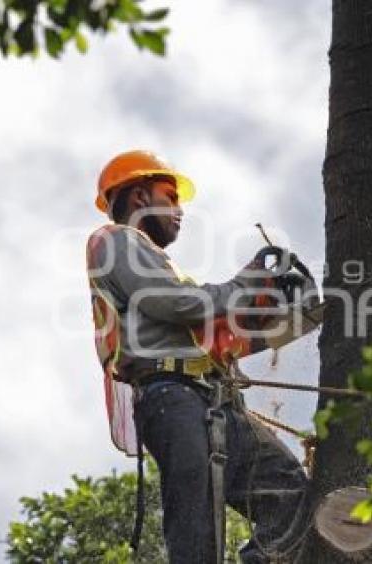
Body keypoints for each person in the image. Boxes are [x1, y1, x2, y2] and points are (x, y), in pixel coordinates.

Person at [86, 150, 310, 563]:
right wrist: (247, 282)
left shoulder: (163, 266)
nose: (179, 210)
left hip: (215, 400)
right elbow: (177, 304)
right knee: (196, 524)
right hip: (172, 396)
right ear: (138, 197)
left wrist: (301, 311)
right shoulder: (114, 240)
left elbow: (224, 342)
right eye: (169, 197)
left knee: (291, 494)